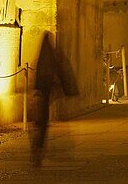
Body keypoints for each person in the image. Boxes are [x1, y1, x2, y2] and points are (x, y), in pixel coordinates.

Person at [32, 32, 76, 167]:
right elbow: (61, 70)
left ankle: (37, 149)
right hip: (46, 93)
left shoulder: (43, 59)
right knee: (42, 122)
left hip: (41, 93)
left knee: (40, 122)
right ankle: (38, 148)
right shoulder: (53, 57)